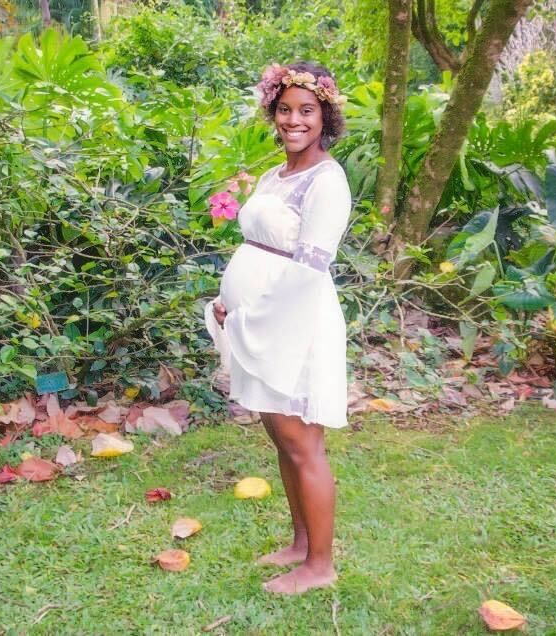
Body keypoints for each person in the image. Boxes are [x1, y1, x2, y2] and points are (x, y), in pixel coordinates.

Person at [204, 62, 351, 595]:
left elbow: (309, 268)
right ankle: (298, 543)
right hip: (256, 316)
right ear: (273, 111)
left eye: (306, 111)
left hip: (293, 319)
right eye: (285, 109)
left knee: (301, 441)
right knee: (280, 438)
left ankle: (320, 565)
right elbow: (257, 248)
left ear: (325, 116)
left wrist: (253, 315)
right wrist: (226, 303)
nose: (294, 120)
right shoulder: (275, 175)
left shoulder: (327, 181)